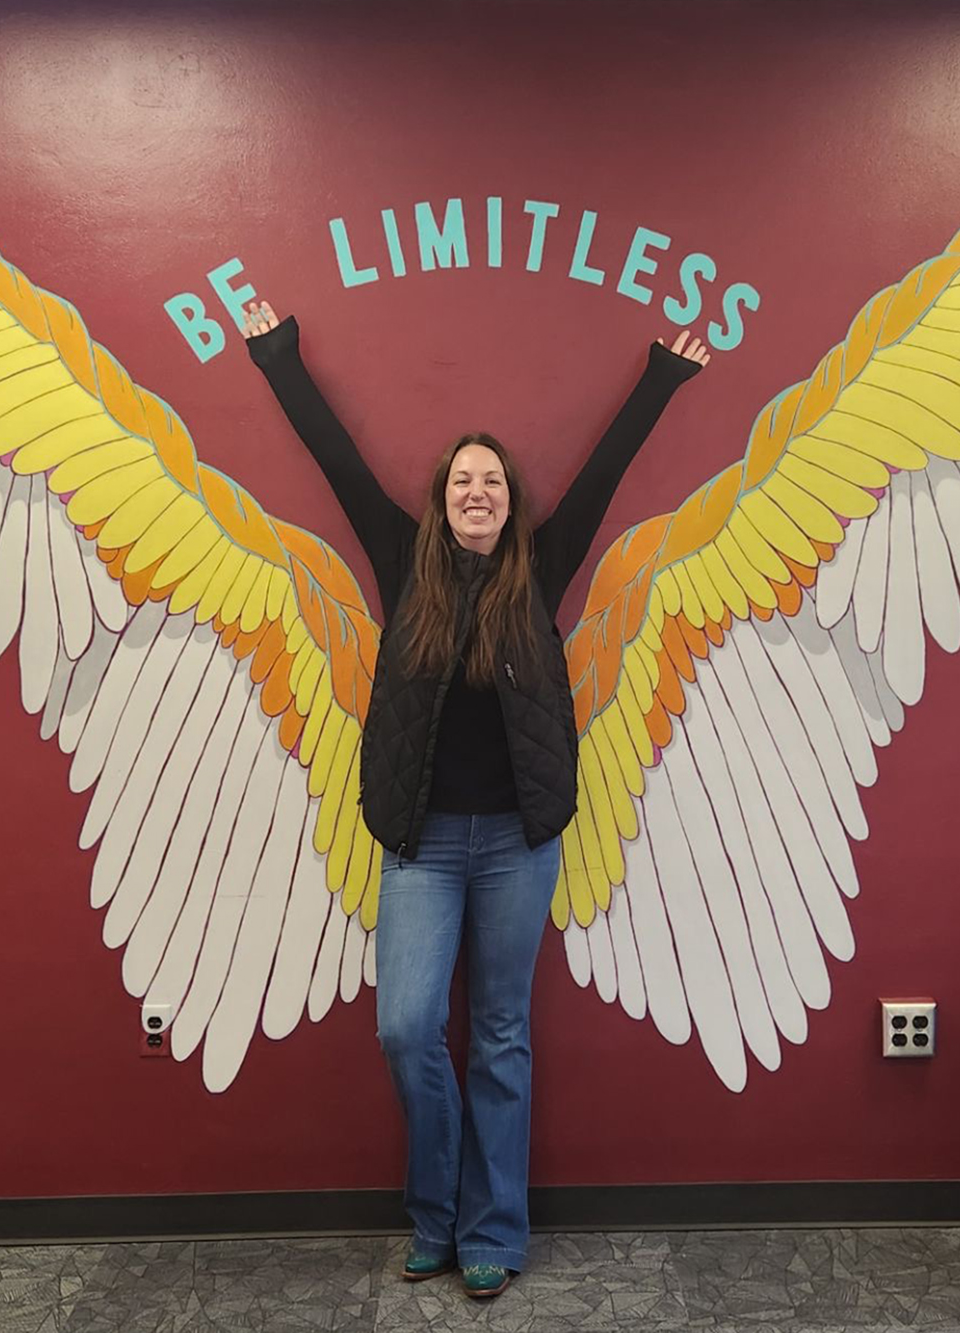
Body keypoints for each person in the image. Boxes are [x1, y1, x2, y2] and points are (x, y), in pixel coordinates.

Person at [241, 297, 707, 1298]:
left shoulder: (536, 572)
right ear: (441, 496)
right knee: (405, 1027)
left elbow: (603, 476)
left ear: (510, 500)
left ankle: (491, 1229)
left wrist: (663, 380)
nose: (478, 494)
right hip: (418, 845)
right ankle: (436, 1212)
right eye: (463, 481)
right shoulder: (399, 557)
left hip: (514, 844)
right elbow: (335, 462)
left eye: (492, 481)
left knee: (499, 1033)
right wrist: (276, 359)